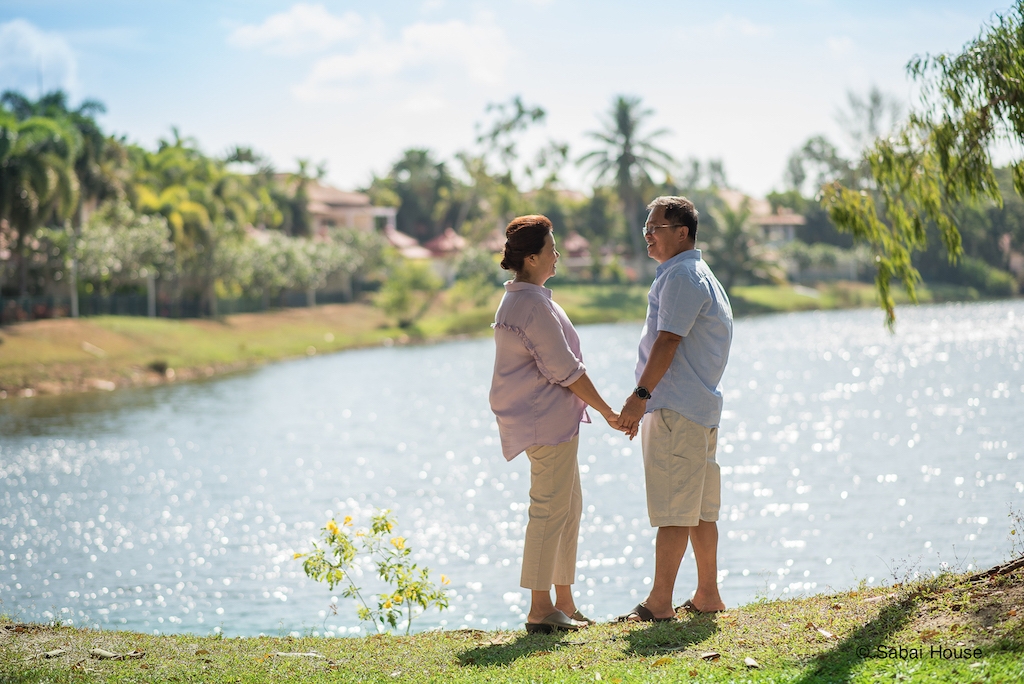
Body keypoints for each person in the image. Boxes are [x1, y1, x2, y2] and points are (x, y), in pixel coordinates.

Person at [489, 214, 622, 633]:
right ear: (531, 258)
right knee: (549, 511)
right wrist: (608, 411)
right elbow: (566, 369)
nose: (557, 254)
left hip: (554, 422)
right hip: (543, 422)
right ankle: (540, 608)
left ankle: (563, 602)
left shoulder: (529, 298)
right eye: (551, 249)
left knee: (568, 509)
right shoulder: (529, 304)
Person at [616, 196, 733, 622]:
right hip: (696, 408)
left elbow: (668, 341)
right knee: (699, 509)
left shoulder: (682, 276)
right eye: (646, 228)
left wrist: (639, 396)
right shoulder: (698, 273)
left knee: (674, 510)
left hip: (676, 409)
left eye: (656, 228)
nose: (648, 235)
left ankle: (659, 602)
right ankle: (707, 594)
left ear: (682, 233)